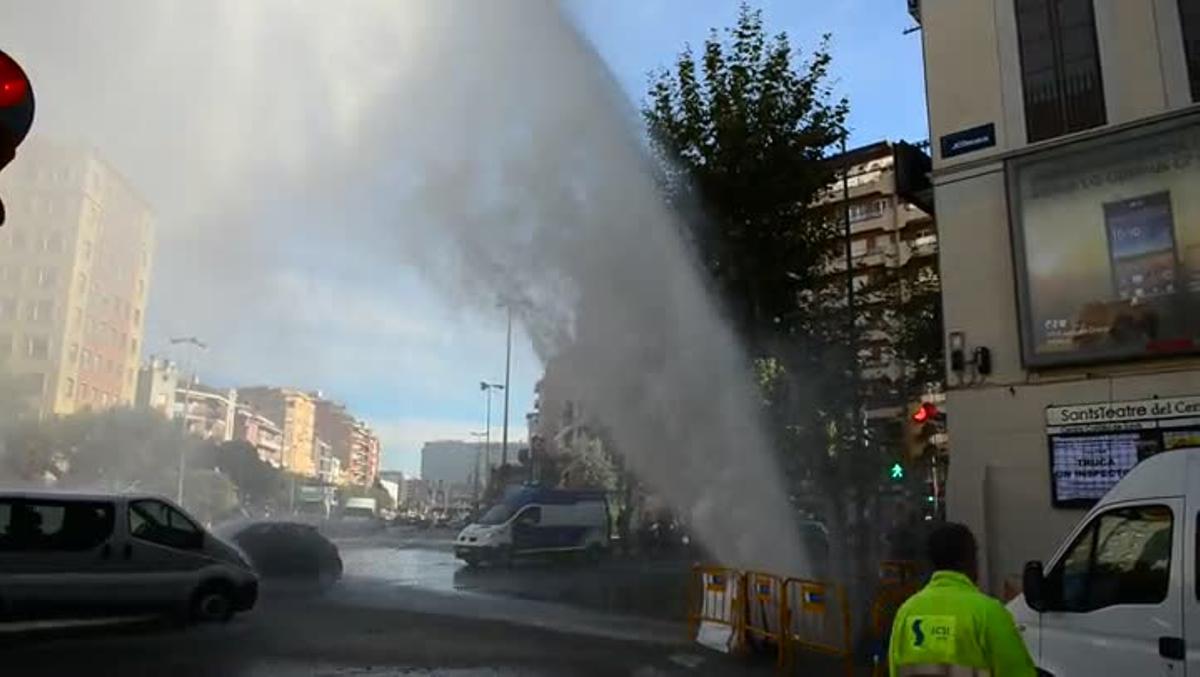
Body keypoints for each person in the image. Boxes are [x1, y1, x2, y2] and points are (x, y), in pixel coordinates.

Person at [888, 522, 1035, 677]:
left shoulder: (906, 613)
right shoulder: (988, 613)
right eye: (974, 555)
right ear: (966, 560)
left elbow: (895, 671)